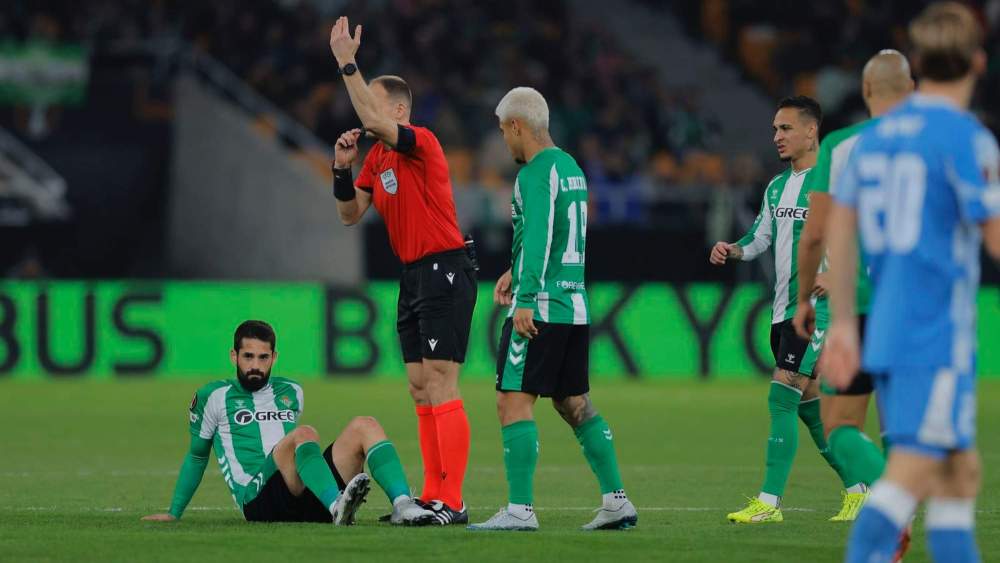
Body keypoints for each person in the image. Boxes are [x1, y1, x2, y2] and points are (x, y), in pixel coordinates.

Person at [821, 3, 1000, 561]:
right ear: (979, 61)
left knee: (954, 477)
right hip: (937, 334)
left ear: (920, 64)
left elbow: (840, 235)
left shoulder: (873, 140)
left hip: (888, 330)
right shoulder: (967, 138)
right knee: (919, 478)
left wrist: (845, 325)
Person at [327, 16, 477, 525]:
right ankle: (433, 495)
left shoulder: (422, 145)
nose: (363, 108)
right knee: (418, 383)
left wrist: (346, 61)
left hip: (445, 268)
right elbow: (350, 215)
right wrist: (341, 170)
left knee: (441, 379)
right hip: (413, 275)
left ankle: (450, 500)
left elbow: (368, 117)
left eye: (371, 99)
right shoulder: (377, 161)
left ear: (396, 109)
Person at [467, 87, 636, 532]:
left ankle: (520, 510)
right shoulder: (570, 167)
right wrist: (514, 268)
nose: (504, 140)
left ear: (518, 126)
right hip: (573, 305)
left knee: (511, 401)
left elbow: (541, 232)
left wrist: (525, 297)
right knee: (573, 403)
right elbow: (559, 236)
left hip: (541, 308)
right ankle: (616, 500)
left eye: (504, 130)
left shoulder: (534, 173)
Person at [711, 96, 854, 523]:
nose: (776, 137)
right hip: (782, 311)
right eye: (775, 129)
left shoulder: (835, 183)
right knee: (809, 404)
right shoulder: (777, 187)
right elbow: (759, 238)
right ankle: (861, 489)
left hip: (817, 310)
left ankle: (769, 502)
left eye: (785, 128)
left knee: (781, 392)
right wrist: (732, 249)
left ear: (812, 131)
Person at [142, 320, 433, 525]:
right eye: (248, 356)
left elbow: (300, 452)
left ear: (274, 357)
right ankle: (337, 506)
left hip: (304, 490)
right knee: (303, 433)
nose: (255, 365)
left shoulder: (291, 391)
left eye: (263, 357)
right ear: (234, 356)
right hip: (257, 499)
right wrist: (174, 512)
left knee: (365, 425)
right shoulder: (213, 396)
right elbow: (196, 456)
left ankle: (402, 505)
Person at [791, 50, 915, 524]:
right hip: (922, 306)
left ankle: (892, 499)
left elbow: (815, 234)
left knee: (840, 424)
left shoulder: (843, 146)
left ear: (865, 91)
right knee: (903, 424)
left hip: (862, 306)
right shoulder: (941, 141)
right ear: (910, 91)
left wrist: (804, 297)